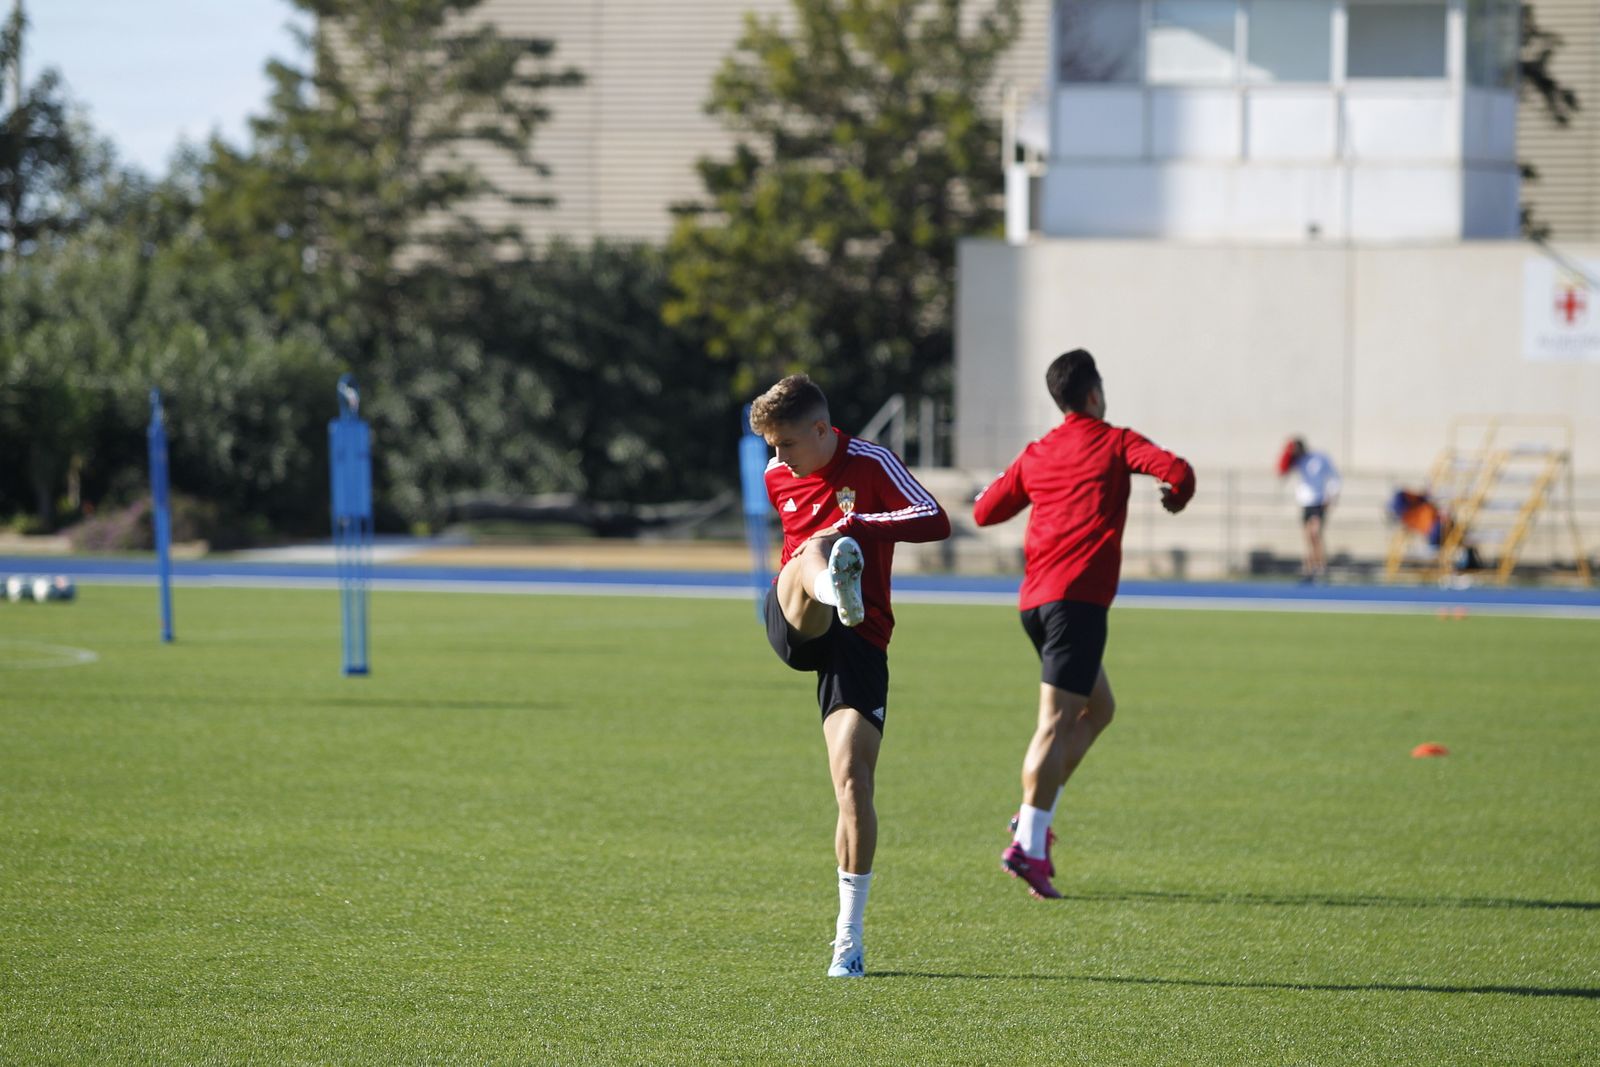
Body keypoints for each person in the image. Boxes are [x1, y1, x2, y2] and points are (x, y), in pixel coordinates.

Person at [973, 349, 1194, 900]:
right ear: (1093, 393)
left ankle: (1033, 814)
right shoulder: (1115, 441)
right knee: (1054, 721)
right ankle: (1029, 839)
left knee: (1101, 709)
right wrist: (1175, 496)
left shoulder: (1038, 452)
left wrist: (1019, 483)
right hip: (1077, 603)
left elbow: (985, 512)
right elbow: (1178, 471)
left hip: (1035, 604)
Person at [750, 373, 951, 976]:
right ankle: (833, 583)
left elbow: (934, 518)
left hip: (860, 637)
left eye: (784, 443)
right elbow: (795, 531)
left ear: (821, 430)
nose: (775, 457)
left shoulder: (871, 460)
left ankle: (849, 941)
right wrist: (835, 543)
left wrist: (862, 525)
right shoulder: (775, 474)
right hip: (797, 614)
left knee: (853, 783)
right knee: (813, 549)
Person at [1277, 437, 1341, 583]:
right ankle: (1309, 567)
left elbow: (1334, 476)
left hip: (1319, 501)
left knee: (1315, 533)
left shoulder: (1319, 458)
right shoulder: (1297, 461)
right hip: (1305, 502)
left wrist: (1332, 495)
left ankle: (1321, 566)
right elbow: (1282, 469)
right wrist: (1288, 452)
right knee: (1308, 536)